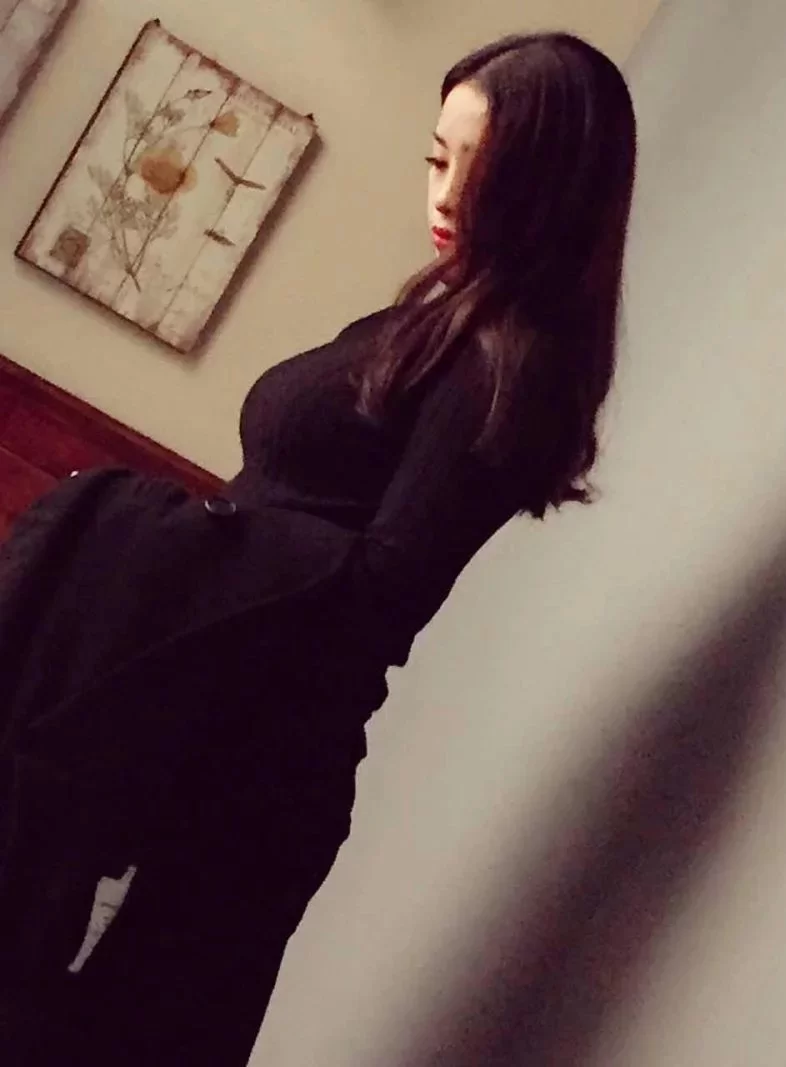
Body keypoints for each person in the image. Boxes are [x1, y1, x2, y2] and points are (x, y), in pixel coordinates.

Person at [0, 30, 637, 1067]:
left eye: (480, 170)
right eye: (437, 157)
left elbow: (380, 591)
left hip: (252, 768)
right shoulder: (441, 316)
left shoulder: (505, 369)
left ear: (547, 189)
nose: (445, 194)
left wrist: (147, 530)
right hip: (209, 721)